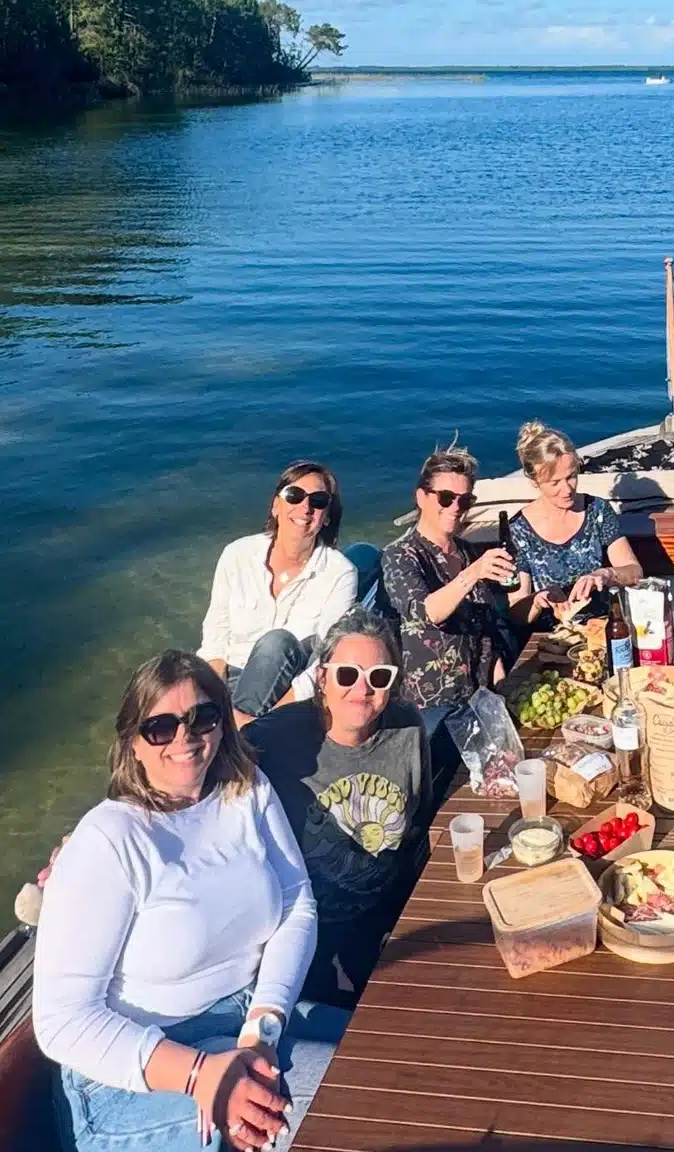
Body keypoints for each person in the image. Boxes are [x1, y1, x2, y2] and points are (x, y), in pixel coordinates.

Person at [33, 650, 346, 1152]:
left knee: (384, 1058)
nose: (185, 737)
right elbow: (62, 1023)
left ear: (222, 724)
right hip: (128, 1071)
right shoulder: (108, 841)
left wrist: (262, 1029)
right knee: (322, 1113)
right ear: (134, 743)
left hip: (245, 1019)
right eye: (160, 726)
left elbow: (296, 905)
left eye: (202, 717)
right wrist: (202, 1075)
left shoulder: (246, 791)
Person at [249, 606, 431, 1009]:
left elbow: (417, 828)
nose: (362, 689)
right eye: (347, 675)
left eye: (378, 677)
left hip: (380, 913)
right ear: (322, 678)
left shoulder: (407, 729)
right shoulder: (273, 738)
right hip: (303, 925)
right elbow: (199, 770)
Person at [376, 446, 513, 783]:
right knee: (436, 793)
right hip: (431, 706)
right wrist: (473, 574)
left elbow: (485, 623)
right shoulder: (401, 556)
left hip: (478, 699)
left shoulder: (467, 551)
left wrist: (500, 678)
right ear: (422, 497)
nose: (455, 508)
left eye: (464, 501)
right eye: (446, 497)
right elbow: (425, 613)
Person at [200, 460, 357, 727]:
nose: (305, 508)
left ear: (327, 516)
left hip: (291, 689)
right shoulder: (237, 554)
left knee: (277, 643)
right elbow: (217, 629)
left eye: (318, 501)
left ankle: (231, 736)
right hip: (229, 677)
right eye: (294, 496)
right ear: (276, 506)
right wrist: (215, 697)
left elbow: (325, 661)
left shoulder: (340, 573)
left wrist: (271, 716)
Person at [507, 421, 641, 617]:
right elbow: (518, 612)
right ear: (534, 482)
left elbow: (634, 571)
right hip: (551, 637)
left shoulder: (597, 510)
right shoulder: (518, 529)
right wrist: (537, 601)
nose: (567, 489)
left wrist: (604, 574)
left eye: (571, 477)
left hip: (602, 624)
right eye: (554, 483)